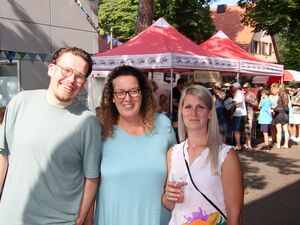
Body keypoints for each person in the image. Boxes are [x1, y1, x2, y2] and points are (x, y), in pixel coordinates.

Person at [0, 47, 101, 225]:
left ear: (83, 83)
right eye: (66, 70)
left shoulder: (88, 122)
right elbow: (3, 157)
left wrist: (79, 219)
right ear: (51, 69)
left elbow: (91, 178)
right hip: (11, 218)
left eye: (79, 76)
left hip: (59, 221)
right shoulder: (20, 103)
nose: (71, 80)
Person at [91, 65, 177, 225]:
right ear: (112, 97)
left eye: (134, 91)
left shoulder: (163, 125)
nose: (127, 98)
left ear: (143, 94)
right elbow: (89, 182)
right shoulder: (100, 131)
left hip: (157, 219)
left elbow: (178, 172)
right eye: (120, 92)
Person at [162, 85, 244, 225]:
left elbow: (234, 214)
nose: (193, 113)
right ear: (181, 112)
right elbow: (169, 205)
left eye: (200, 107)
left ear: (210, 113)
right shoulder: (173, 153)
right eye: (188, 107)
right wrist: (168, 196)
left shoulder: (225, 155)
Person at [231, 82, 247, 151]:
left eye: (233, 87)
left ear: (236, 87)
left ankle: (238, 145)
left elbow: (239, 103)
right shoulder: (240, 93)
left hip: (238, 114)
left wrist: (231, 105)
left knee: (236, 130)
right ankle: (238, 144)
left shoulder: (238, 93)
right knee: (237, 130)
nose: (232, 88)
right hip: (240, 113)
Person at [274, 84, 290, 149]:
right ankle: (286, 144)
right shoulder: (287, 96)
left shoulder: (278, 96)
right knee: (286, 130)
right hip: (285, 114)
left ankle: (278, 145)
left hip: (279, 114)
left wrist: (273, 108)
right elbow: (287, 105)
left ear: (279, 89)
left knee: (279, 131)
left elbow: (276, 105)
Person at [243, 83, 258, 150]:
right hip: (243, 112)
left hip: (249, 112)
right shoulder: (243, 94)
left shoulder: (252, 95)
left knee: (249, 127)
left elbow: (256, 104)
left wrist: (249, 101)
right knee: (244, 128)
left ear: (249, 87)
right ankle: (246, 143)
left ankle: (249, 144)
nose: (244, 89)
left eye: (245, 87)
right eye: (243, 87)